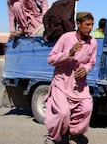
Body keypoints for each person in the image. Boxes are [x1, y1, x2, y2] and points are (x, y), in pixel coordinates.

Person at [44, 12, 97, 144]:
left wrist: (85, 69)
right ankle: (54, 136)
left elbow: (91, 62)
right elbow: (51, 59)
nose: (90, 28)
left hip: (79, 86)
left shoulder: (93, 42)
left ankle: (73, 132)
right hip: (62, 84)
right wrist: (69, 53)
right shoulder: (66, 38)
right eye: (87, 25)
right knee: (63, 113)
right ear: (78, 24)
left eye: (92, 25)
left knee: (87, 108)